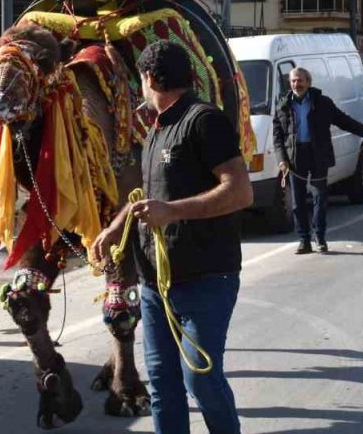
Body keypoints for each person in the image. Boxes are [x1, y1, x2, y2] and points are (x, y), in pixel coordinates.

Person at [91, 40, 252, 434]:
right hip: (155, 286)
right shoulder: (155, 133)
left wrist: (173, 211)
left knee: (200, 377)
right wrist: (117, 224)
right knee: (162, 385)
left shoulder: (202, 120)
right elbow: (151, 199)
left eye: (140, 82)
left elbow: (239, 191)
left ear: (148, 78)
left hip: (206, 278)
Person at [272, 67, 363, 255]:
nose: (296, 84)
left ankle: (320, 238)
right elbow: (278, 137)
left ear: (308, 82)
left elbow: (344, 121)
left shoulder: (322, 102)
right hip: (295, 156)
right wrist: (282, 160)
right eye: (293, 81)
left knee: (320, 197)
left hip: (318, 153)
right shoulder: (282, 105)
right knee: (298, 202)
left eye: (300, 80)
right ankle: (304, 240)